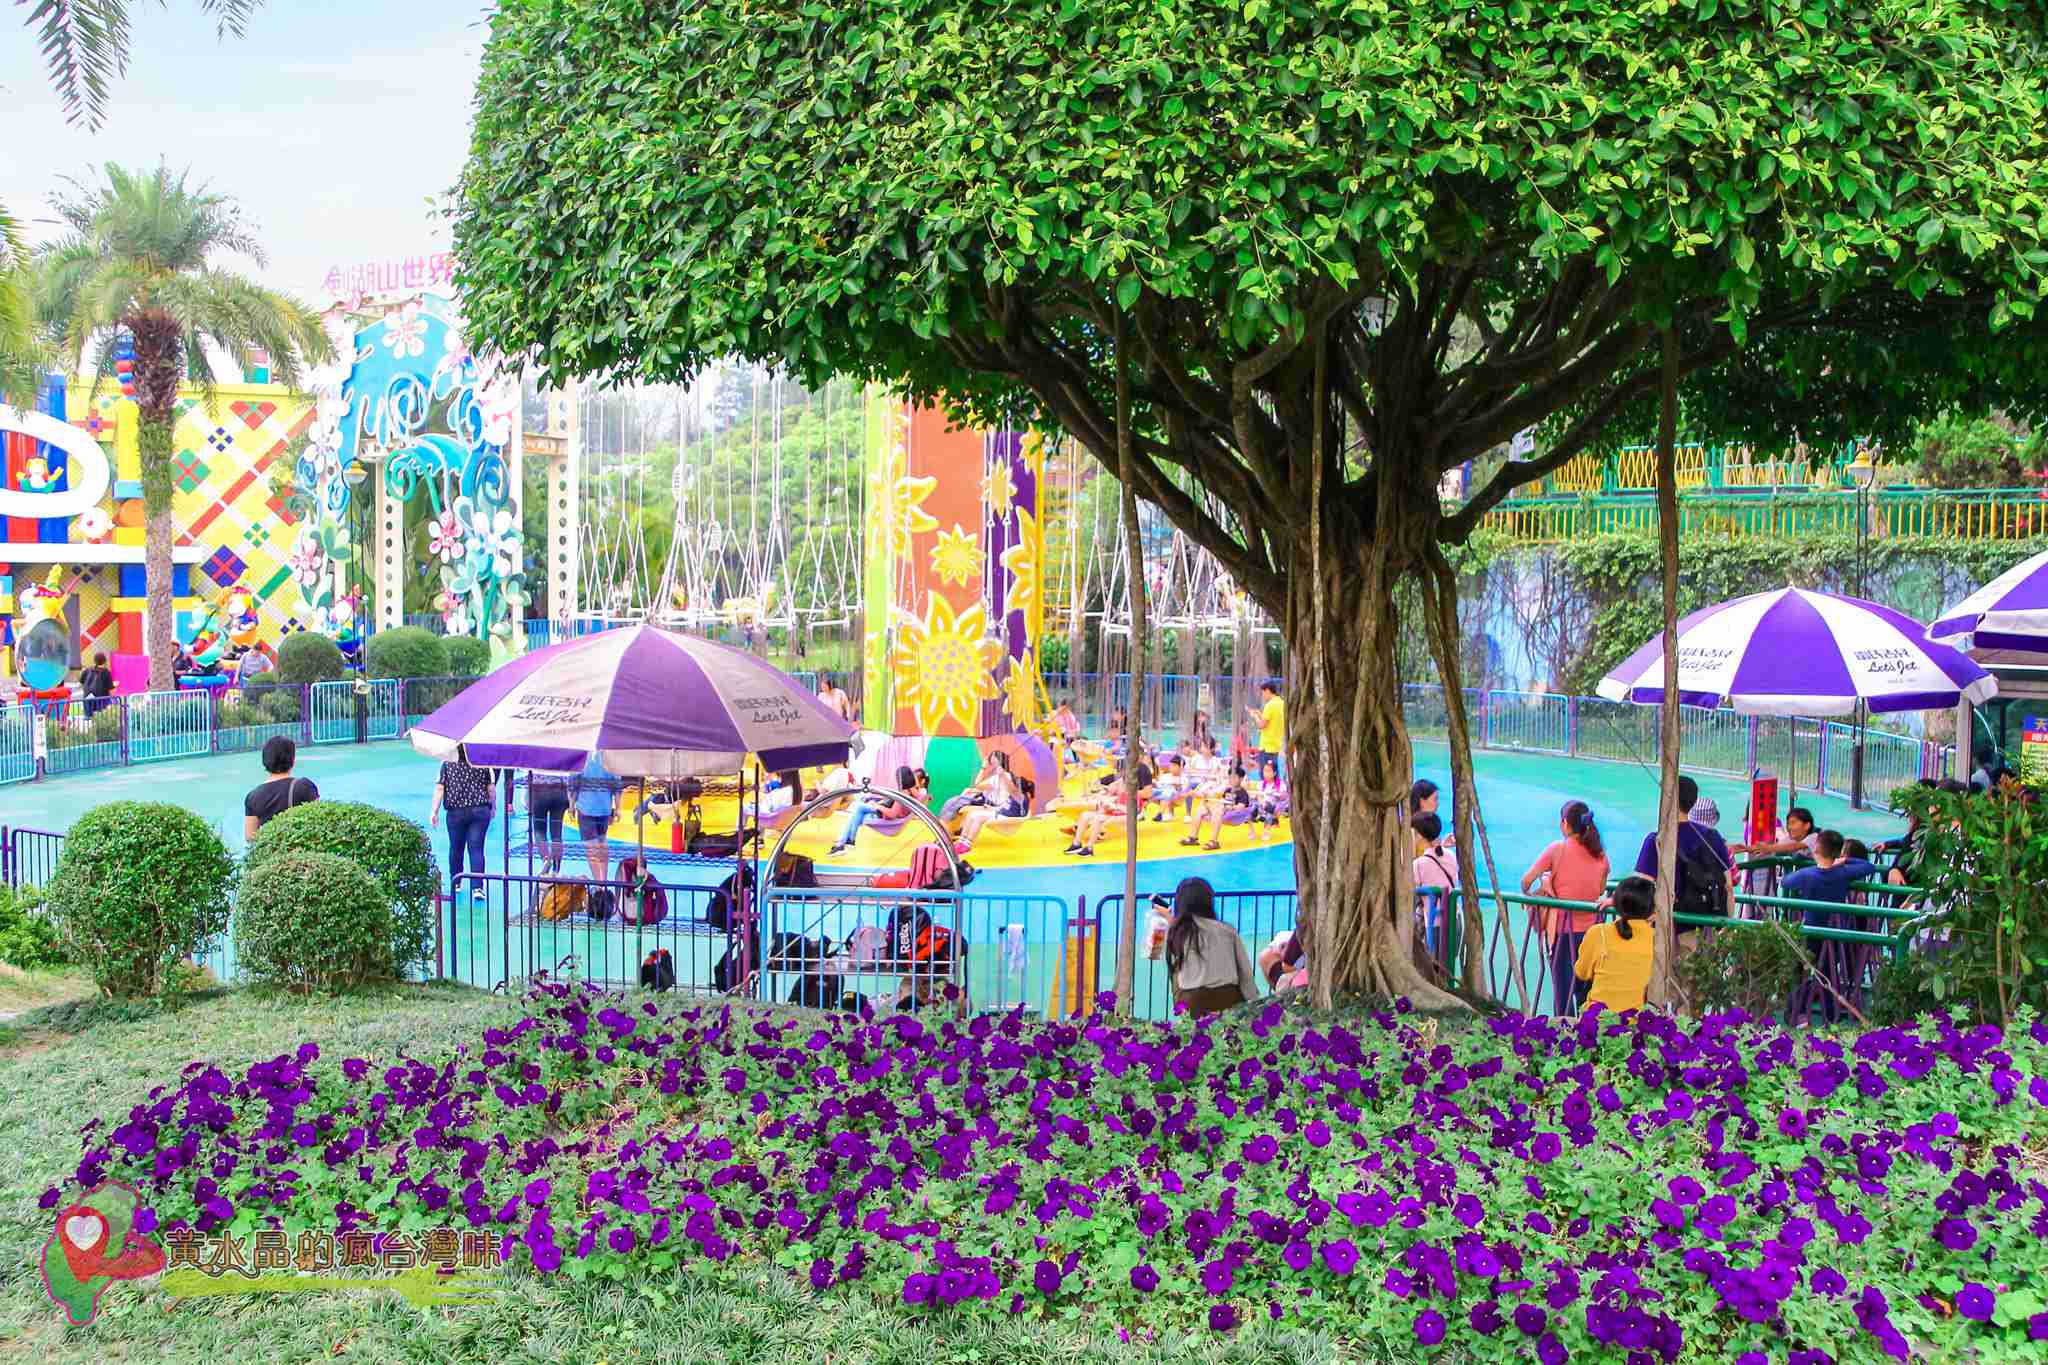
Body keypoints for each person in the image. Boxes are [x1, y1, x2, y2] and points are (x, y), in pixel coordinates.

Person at [1632, 776, 1734, 983]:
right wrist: (1726, 922)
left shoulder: (1657, 839)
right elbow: (1728, 885)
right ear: (1693, 802)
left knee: (1662, 987)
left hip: (1665, 925)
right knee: (1694, 989)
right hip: (1701, 924)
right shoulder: (1712, 836)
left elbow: (1640, 886)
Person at [1521, 800, 1610, 1016]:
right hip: (1592, 931)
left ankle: (1563, 1036)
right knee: (1585, 989)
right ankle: (1586, 1033)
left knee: (1562, 990)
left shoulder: (1557, 849)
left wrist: (1545, 887)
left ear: (1564, 824)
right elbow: (1600, 889)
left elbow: (1526, 882)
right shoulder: (1601, 855)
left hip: (1563, 932)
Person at [1164, 877, 1258, 1017]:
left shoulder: (1176, 933)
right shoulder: (1227, 931)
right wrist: (1253, 1003)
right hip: (1228, 1000)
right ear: (1208, 902)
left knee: (1177, 971)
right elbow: (1245, 972)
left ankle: (1181, 1017)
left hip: (1192, 1003)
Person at [1574, 875, 1656, 1015]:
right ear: (1652, 910)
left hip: (1596, 1021)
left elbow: (1581, 972)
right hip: (1638, 1024)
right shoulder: (1657, 940)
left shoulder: (1598, 933)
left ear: (1616, 904)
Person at [430, 745, 498, 902]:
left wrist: (434, 811)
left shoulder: (447, 763)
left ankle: (456, 882)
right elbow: (491, 788)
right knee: (476, 849)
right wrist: (493, 807)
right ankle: (478, 887)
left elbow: (440, 787)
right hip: (480, 811)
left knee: (456, 848)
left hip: (455, 812)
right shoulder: (482, 762)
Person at [1069, 758, 1154, 856]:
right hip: (1116, 811)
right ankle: (1076, 844)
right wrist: (1106, 800)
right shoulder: (1121, 782)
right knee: (1085, 815)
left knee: (1098, 818)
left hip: (1128, 812)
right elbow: (1111, 793)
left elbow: (1134, 808)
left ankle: (1089, 848)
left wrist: (1116, 806)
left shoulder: (1133, 789)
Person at [831, 765, 922, 853]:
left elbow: (892, 814)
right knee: (857, 814)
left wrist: (878, 806)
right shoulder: (914, 792)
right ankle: (845, 842)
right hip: (887, 810)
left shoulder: (903, 794)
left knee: (859, 809)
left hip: (886, 816)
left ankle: (846, 842)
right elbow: (918, 794)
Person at [243, 735, 318, 840]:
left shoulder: (252, 797)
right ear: (292, 760)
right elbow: (319, 821)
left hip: (271, 854)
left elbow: (250, 837)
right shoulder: (304, 787)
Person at [571, 750, 617, 882]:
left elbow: (573, 782)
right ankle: (604, 879)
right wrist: (617, 807)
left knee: (591, 848)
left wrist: (571, 804)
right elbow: (617, 784)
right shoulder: (608, 755)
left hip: (586, 808)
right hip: (604, 808)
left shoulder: (583, 754)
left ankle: (599, 883)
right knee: (602, 842)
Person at [1182, 763, 1250, 851]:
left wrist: (1230, 807)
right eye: (1230, 777)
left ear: (1241, 779)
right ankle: (1193, 837)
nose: (1231, 780)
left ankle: (1213, 841)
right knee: (1202, 807)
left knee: (1218, 809)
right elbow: (1222, 799)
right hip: (1221, 810)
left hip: (1232, 815)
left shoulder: (1242, 792)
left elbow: (1241, 807)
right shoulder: (1228, 790)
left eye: (1234, 777)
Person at [940, 750, 1017, 825]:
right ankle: (953, 824)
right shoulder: (1007, 775)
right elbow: (991, 789)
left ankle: (944, 825)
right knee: (965, 793)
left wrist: (983, 768)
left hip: (988, 803)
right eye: (991, 763)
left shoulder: (999, 777)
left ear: (1000, 763)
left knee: (952, 802)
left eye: (993, 763)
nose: (991, 766)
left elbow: (977, 784)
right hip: (987, 800)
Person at [528, 770, 571, 874]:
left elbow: (529, 774)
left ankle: (545, 858)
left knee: (539, 830)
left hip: (539, 790)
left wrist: (526, 798)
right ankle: (556, 868)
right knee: (557, 832)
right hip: (560, 790)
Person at [1245, 682, 1285, 777]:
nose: (1263, 696)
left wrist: (1255, 716)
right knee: (1274, 774)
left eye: (1263, 693)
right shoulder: (1282, 703)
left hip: (1266, 747)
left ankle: (1265, 791)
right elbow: (1271, 721)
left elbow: (1261, 725)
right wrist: (1260, 714)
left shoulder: (1270, 705)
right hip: (1277, 745)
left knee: (1265, 775)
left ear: (1267, 691)